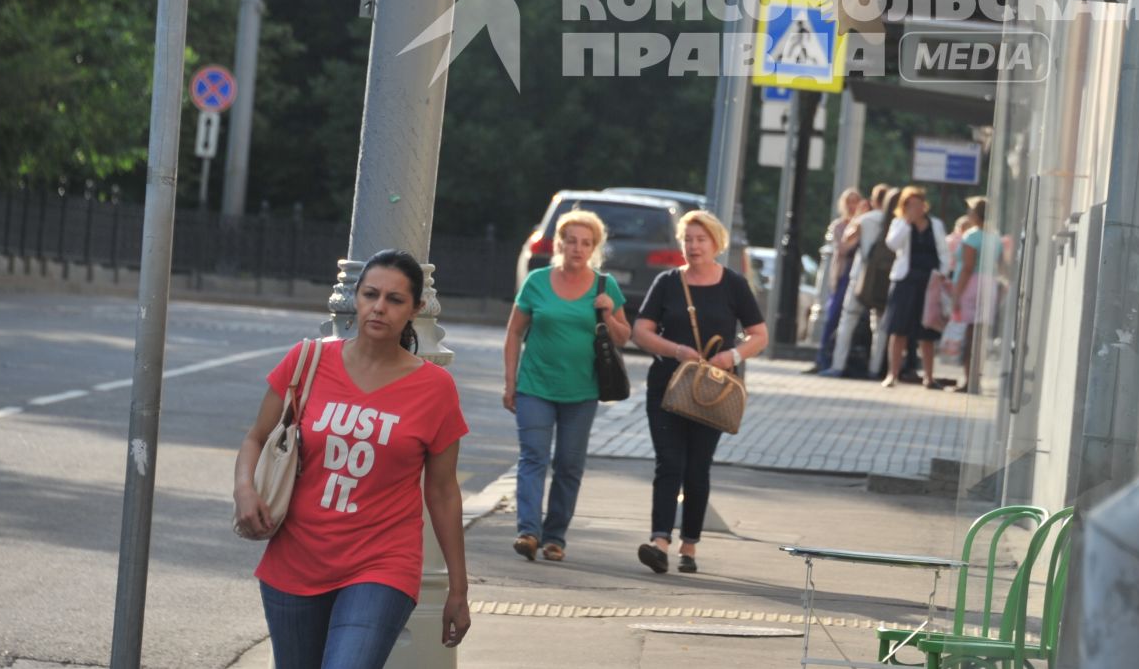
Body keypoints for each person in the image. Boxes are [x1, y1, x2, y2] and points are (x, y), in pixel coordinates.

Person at [234, 249, 472, 667]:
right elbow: (256, 438)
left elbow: (442, 491)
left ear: (416, 308)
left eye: (395, 299)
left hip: (381, 565)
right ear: (356, 298)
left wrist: (458, 587)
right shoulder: (308, 361)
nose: (379, 307)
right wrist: (244, 490)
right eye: (370, 294)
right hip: (295, 560)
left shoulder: (435, 388)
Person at [630, 210, 766, 575]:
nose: (693, 246)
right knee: (668, 463)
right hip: (667, 388)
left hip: (713, 392)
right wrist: (675, 350)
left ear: (716, 243)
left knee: (697, 469)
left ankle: (690, 544)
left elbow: (759, 334)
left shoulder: (734, 284)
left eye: (700, 239)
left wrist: (731, 356)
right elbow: (640, 331)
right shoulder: (668, 282)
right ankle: (660, 541)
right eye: (688, 239)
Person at [503, 209, 629, 563]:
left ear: (594, 248)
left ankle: (555, 536)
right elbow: (514, 331)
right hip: (534, 386)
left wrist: (606, 312)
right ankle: (528, 531)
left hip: (582, 391)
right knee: (533, 457)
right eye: (571, 241)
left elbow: (623, 337)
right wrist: (510, 382)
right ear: (559, 244)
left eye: (586, 243)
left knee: (569, 464)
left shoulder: (606, 286)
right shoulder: (537, 281)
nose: (578, 248)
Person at [881, 186, 949, 390]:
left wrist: (943, 272)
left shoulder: (935, 225)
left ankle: (928, 376)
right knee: (898, 329)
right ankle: (892, 374)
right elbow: (892, 244)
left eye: (919, 204)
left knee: (926, 331)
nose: (916, 208)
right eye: (911, 205)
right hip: (905, 280)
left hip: (929, 282)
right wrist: (907, 222)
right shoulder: (900, 223)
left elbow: (944, 252)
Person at [829, 184, 894, 378]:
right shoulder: (897, 221)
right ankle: (875, 369)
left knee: (848, 320)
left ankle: (837, 365)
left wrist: (857, 217)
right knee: (880, 326)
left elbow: (847, 242)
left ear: (874, 201)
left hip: (861, 276)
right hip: (885, 279)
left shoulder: (865, 220)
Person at [808, 188, 864, 373]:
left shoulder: (863, 224)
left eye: (855, 201)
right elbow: (842, 249)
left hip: (859, 275)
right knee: (832, 316)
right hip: (843, 274)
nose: (852, 205)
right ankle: (822, 358)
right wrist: (855, 236)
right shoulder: (839, 226)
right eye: (849, 201)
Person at [950, 196, 988, 393]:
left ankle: (968, 380)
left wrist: (956, 295)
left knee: (969, 335)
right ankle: (976, 378)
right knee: (979, 335)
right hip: (988, 287)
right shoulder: (994, 236)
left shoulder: (972, 237)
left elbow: (967, 267)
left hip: (971, 286)